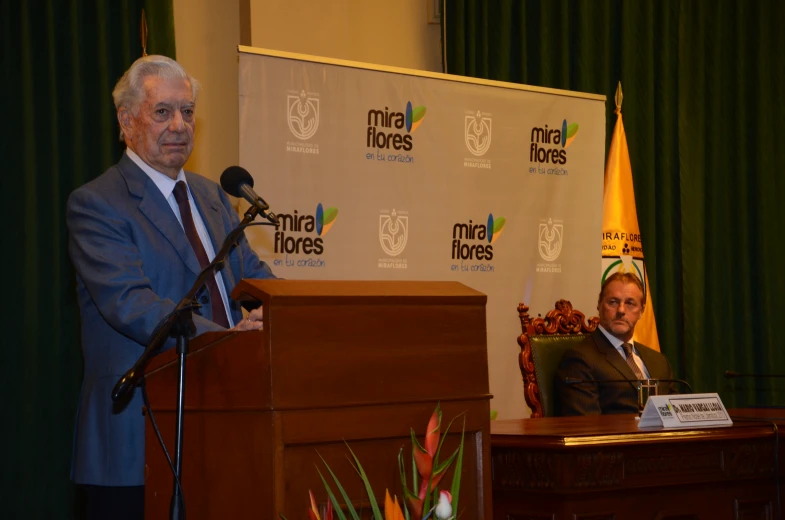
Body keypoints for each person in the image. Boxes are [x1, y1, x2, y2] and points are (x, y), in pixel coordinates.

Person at [66, 55, 276, 519]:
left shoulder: (213, 196)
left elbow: (254, 277)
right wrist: (224, 340)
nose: (179, 124)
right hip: (136, 441)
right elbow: (131, 303)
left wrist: (281, 313)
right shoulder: (97, 204)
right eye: (163, 112)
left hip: (222, 430)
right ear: (127, 122)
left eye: (187, 111)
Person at [554, 272, 676, 415]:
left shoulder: (659, 362)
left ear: (641, 311)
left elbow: (677, 416)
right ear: (599, 305)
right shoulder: (579, 360)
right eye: (613, 302)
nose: (621, 311)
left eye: (630, 303)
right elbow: (587, 427)